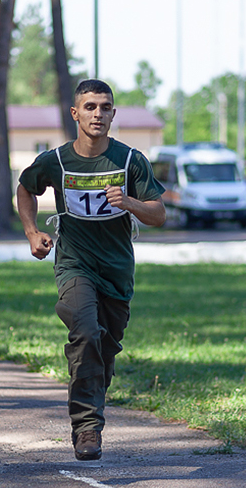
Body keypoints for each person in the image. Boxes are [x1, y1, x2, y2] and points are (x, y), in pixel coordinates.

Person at [16, 79, 166, 461]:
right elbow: (25, 187)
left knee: (104, 348)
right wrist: (32, 232)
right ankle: (87, 428)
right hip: (74, 264)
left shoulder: (130, 160)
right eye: (90, 107)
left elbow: (159, 214)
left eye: (105, 107)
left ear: (113, 114)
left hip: (116, 270)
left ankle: (91, 402)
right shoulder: (57, 161)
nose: (98, 114)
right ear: (75, 113)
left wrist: (130, 202)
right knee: (84, 331)